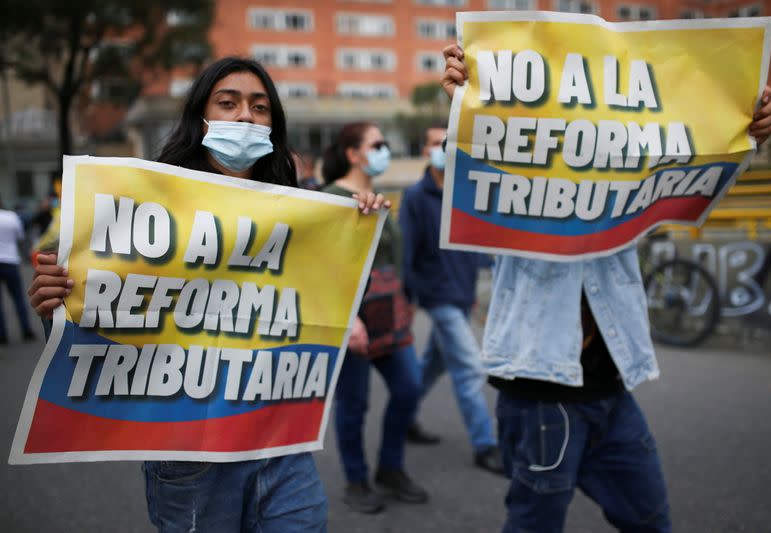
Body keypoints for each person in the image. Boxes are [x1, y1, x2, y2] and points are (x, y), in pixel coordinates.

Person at [26, 56, 389, 533]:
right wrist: (54, 299)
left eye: (260, 108)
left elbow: (325, 304)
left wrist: (355, 226)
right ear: (201, 118)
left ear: (273, 124)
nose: (245, 117)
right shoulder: (144, 202)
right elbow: (95, 301)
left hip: (280, 444)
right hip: (190, 453)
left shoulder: (300, 205)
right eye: (228, 103)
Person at [440, 44, 771, 533]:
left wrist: (743, 133)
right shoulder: (519, 165)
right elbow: (474, 167)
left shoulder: (629, 164)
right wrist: (466, 107)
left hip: (613, 390)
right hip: (540, 392)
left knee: (651, 520)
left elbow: (690, 166)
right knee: (535, 524)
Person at [322, 121, 428, 514]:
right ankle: (356, 479)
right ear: (353, 154)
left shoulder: (377, 196)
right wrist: (349, 318)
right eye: (377, 144)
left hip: (391, 315)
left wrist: (407, 299)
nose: (385, 150)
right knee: (353, 403)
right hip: (354, 320)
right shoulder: (333, 199)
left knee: (409, 387)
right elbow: (326, 266)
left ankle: (391, 468)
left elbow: (393, 258)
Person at [399, 125, 503, 475]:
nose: (443, 148)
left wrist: (472, 292)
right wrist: (409, 296)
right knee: (471, 368)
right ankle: (485, 445)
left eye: (448, 142)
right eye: (435, 143)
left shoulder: (465, 192)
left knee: (431, 366)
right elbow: (406, 250)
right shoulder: (415, 196)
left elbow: (472, 245)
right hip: (437, 296)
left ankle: (404, 414)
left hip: (461, 294)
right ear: (426, 150)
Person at [0, 197, 35, 343]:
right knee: (19, 298)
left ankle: (2, 335)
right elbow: (20, 237)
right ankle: (26, 330)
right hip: (11, 261)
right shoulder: (12, 217)